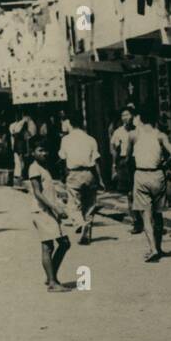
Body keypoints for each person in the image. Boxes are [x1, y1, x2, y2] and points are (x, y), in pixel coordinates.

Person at [129, 110, 171, 262]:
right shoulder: (160, 135)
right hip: (158, 175)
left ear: (141, 118)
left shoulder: (133, 135)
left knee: (146, 215)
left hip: (141, 175)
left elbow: (128, 155)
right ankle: (160, 247)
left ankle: (153, 248)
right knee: (158, 213)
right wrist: (165, 163)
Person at [27, 137, 72, 292]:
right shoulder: (34, 168)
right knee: (47, 246)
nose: (44, 153)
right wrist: (55, 208)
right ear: (32, 153)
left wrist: (59, 200)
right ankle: (52, 282)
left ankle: (51, 276)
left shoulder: (44, 168)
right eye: (40, 150)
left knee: (64, 243)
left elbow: (48, 189)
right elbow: (38, 193)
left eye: (46, 150)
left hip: (49, 210)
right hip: (42, 211)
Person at [57, 108, 103, 244]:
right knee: (89, 205)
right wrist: (100, 179)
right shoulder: (91, 139)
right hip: (90, 174)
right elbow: (96, 161)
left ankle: (80, 224)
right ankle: (86, 233)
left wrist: (63, 175)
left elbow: (62, 159)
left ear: (69, 122)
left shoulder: (66, 140)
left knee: (73, 204)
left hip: (74, 174)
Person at [110, 105, 143, 235]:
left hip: (138, 160)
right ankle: (136, 221)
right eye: (123, 115)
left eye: (127, 115)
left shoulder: (140, 130)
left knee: (140, 192)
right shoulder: (118, 132)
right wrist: (114, 166)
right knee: (129, 194)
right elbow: (114, 149)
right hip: (124, 162)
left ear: (133, 116)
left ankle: (145, 220)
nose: (125, 118)